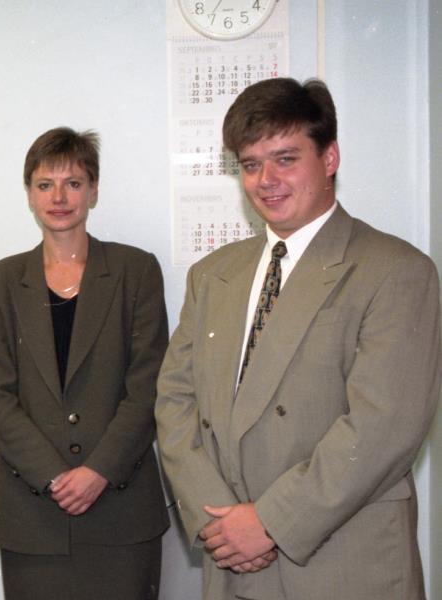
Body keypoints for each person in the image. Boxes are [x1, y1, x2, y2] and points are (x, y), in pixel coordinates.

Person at [154, 77, 441, 599]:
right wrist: (217, 518)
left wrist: (269, 522)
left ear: (330, 157)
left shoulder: (395, 270)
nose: (266, 180)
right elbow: (175, 402)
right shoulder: (212, 275)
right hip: (231, 559)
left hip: (342, 562)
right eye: (250, 165)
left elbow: (383, 428)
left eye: (285, 159)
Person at [0, 127, 170, 599]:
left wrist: (99, 470)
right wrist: (54, 475)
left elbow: (149, 386)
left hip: (122, 510)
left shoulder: (136, 271)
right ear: (29, 194)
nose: (58, 197)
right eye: (45, 184)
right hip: (33, 514)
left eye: (73, 183)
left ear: (93, 191)